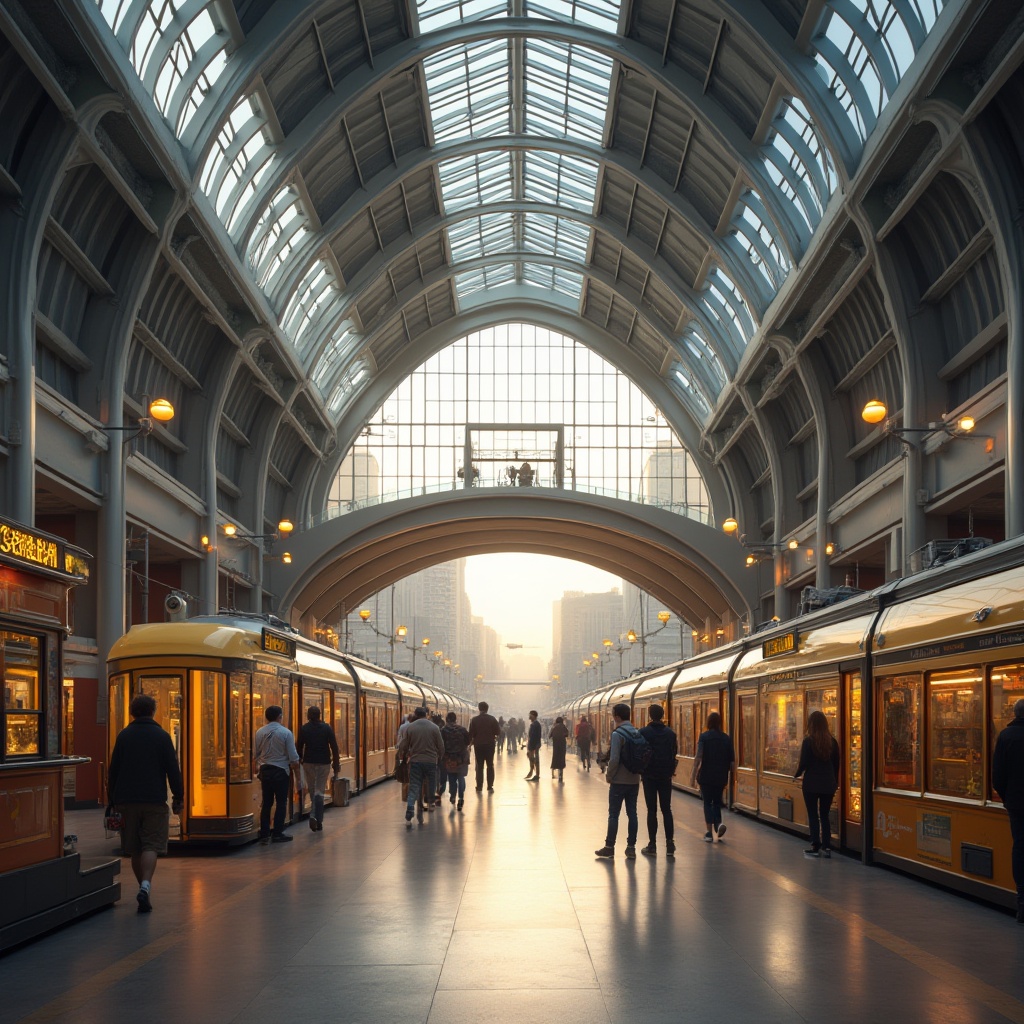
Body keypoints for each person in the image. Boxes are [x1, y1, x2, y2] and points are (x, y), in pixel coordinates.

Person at [108, 693, 184, 913]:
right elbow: (173, 769)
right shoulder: (161, 736)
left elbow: (114, 771)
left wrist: (112, 799)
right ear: (153, 711)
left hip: (126, 800)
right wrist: (178, 797)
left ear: (133, 712)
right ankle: (146, 885)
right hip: (153, 799)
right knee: (151, 845)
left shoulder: (124, 736)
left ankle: (143, 888)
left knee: (134, 848)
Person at [595, 703, 642, 859]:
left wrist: (609, 775)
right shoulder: (636, 732)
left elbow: (614, 758)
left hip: (619, 781)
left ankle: (609, 847)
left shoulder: (617, 734)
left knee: (614, 814)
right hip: (634, 780)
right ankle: (631, 848)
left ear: (617, 717)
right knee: (632, 814)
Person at [993, 697, 1024, 922]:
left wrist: (1007, 798)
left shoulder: (1006, 736)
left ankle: (1022, 902)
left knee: (1020, 847)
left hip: (1016, 803)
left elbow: (998, 776)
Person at [793, 710, 840, 858]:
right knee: (825, 815)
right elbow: (836, 764)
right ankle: (827, 846)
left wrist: (796, 774)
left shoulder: (808, 741)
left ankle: (815, 845)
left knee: (813, 815)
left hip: (811, 784)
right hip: (828, 784)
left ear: (811, 725)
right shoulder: (832, 742)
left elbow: (804, 763)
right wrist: (835, 782)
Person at [255, 705, 301, 844]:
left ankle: (264, 835)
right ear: (279, 717)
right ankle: (277, 833)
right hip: (281, 770)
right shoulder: (286, 733)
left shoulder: (259, 732)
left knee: (267, 802)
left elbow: (256, 753)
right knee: (281, 802)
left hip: (265, 770)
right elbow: (293, 757)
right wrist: (298, 775)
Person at [639, 704, 679, 857]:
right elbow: (674, 752)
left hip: (649, 776)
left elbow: (640, 751)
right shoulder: (670, 733)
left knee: (652, 810)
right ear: (662, 715)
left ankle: (652, 845)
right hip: (665, 775)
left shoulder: (643, 732)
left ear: (650, 715)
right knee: (666, 809)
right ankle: (670, 843)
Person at [689, 710, 734, 845]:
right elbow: (732, 762)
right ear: (720, 723)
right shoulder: (727, 739)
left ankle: (709, 832)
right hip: (721, 776)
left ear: (708, 723)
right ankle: (718, 824)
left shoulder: (704, 737)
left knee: (707, 802)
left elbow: (698, 757)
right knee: (717, 802)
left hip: (706, 775)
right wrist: (732, 779)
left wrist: (692, 775)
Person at [397, 706, 444, 824]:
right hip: (431, 761)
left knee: (414, 786)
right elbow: (441, 746)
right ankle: (430, 801)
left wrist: (402, 754)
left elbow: (403, 745)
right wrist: (440, 757)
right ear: (426, 714)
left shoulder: (411, 727)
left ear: (416, 715)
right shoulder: (434, 727)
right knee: (431, 783)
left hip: (416, 761)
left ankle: (410, 810)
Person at [296, 705, 340, 832]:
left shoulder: (304, 729)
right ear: (320, 715)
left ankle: (314, 815)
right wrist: (336, 765)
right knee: (319, 791)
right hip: (323, 763)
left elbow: (299, 747)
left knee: (312, 789)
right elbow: (334, 747)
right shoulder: (327, 728)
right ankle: (317, 819)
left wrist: (300, 761)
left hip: (308, 762)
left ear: (309, 716)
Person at [468, 701, 502, 791]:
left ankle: (479, 786)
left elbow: (471, 733)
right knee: (490, 765)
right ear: (487, 709)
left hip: (478, 745)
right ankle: (490, 786)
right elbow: (498, 732)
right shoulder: (492, 719)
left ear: (479, 709)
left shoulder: (474, 720)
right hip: (490, 745)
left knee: (479, 766)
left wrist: (469, 744)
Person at [441, 711, 471, 811]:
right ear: (455, 719)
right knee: (461, 778)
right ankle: (461, 798)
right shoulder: (462, 729)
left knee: (452, 778)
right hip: (462, 758)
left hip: (449, 758)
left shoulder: (444, 730)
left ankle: (453, 795)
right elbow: (468, 741)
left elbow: (441, 744)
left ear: (447, 719)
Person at [549, 716, 569, 781]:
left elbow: (550, 735)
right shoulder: (563, 727)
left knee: (555, 758)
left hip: (556, 745)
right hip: (562, 745)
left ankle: (553, 770)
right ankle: (561, 774)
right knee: (561, 758)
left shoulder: (554, 727)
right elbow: (567, 734)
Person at [525, 710, 542, 781]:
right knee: (534, 759)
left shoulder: (535, 725)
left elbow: (533, 736)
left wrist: (530, 747)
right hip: (535, 744)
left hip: (534, 745)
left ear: (533, 716)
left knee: (534, 759)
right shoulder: (536, 724)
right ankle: (534, 772)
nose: (529, 716)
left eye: (530, 715)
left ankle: (536, 774)